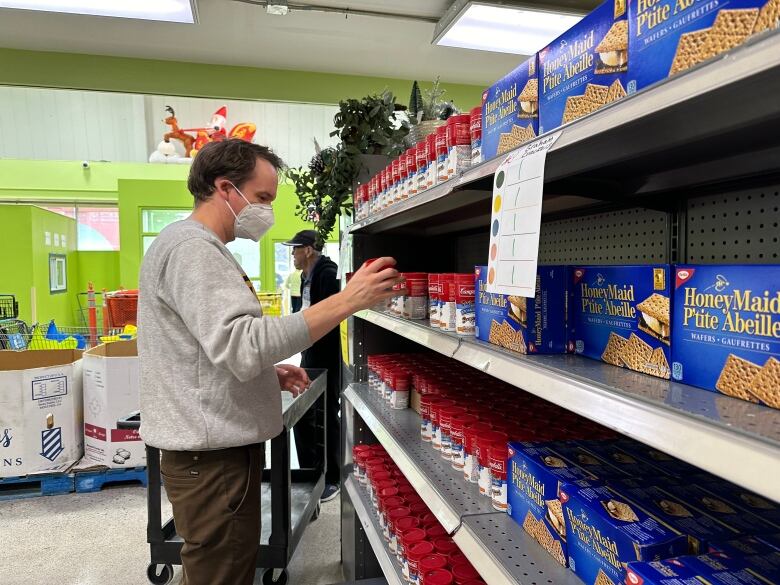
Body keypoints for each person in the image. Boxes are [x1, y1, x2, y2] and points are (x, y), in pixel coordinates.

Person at [137, 139, 399, 585]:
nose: (267, 212)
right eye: (261, 198)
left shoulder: (190, 247)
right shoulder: (193, 251)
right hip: (214, 460)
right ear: (224, 188)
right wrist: (347, 301)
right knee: (223, 573)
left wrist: (264, 373)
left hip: (208, 451)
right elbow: (242, 342)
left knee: (214, 567)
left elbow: (209, 347)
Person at [283, 230, 340, 502]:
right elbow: (304, 311)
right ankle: (311, 472)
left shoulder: (327, 274)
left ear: (307, 250)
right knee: (306, 414)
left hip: (326, 354)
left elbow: (328, 317)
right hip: (310, 351)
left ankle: (332, 477)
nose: (292, 254)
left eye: (294, 249)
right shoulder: (305, 276)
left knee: (325, 414)